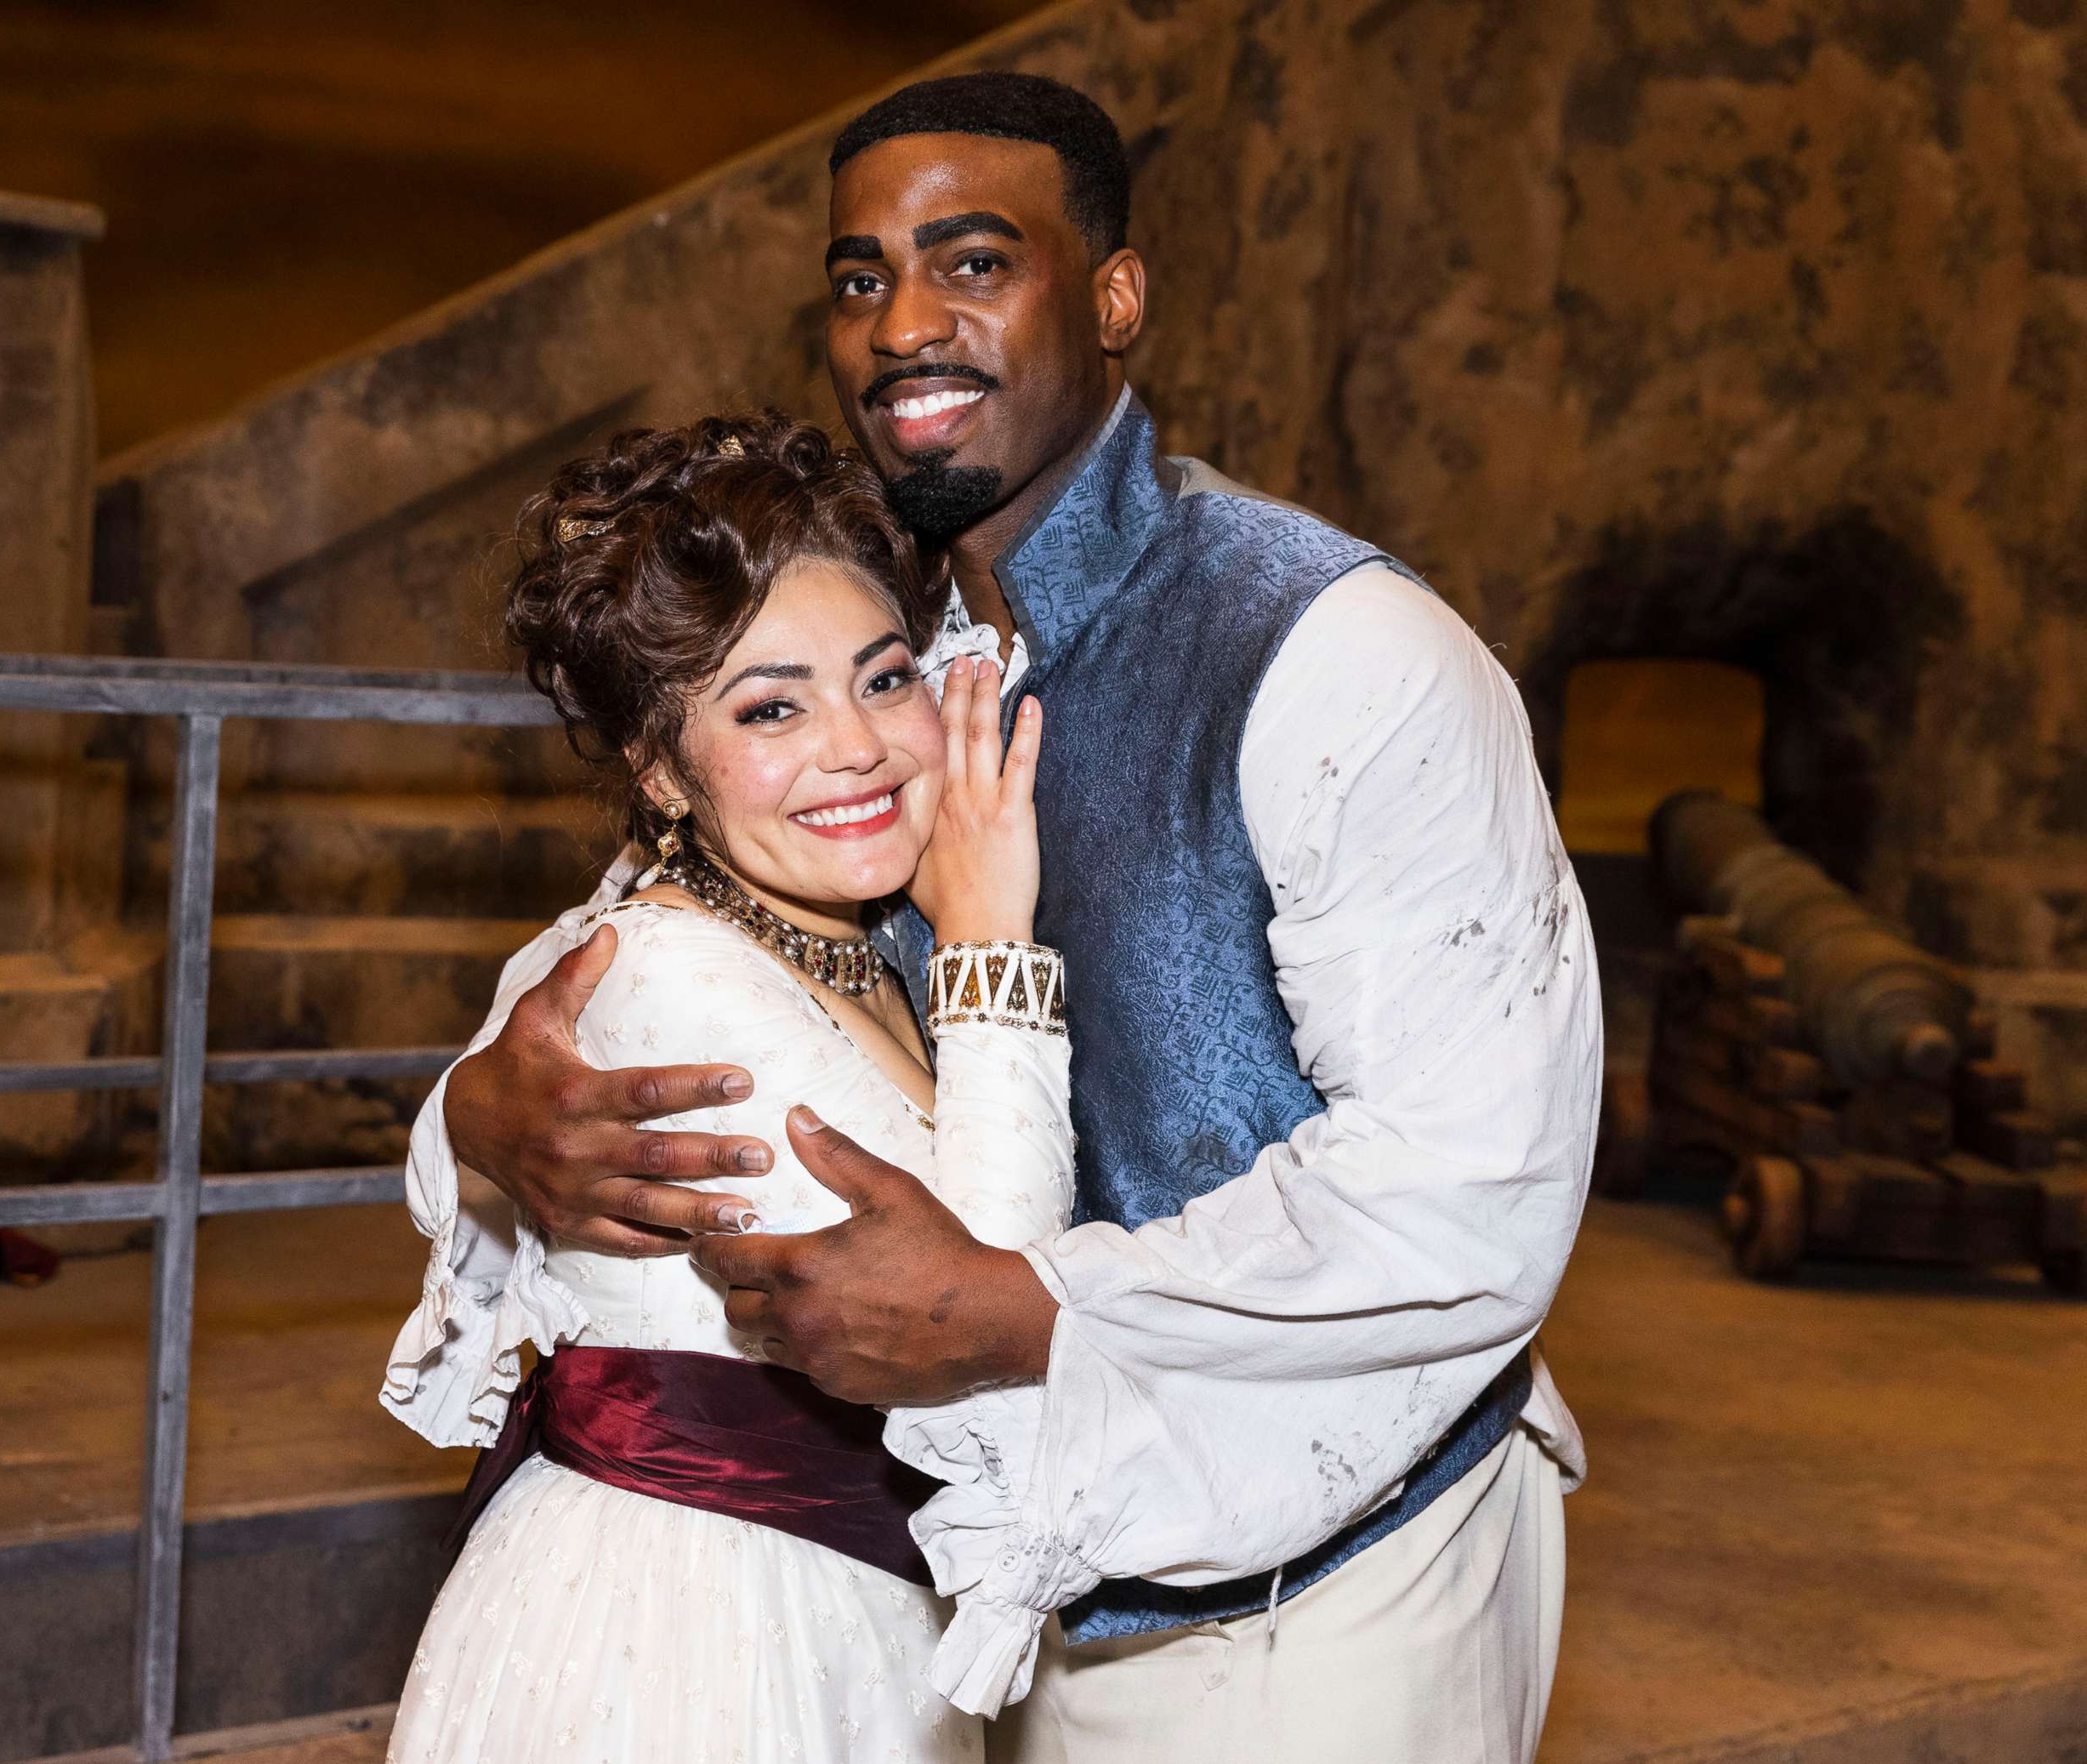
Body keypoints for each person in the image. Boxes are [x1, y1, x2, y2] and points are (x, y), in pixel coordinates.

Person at [427, 73, 1601, 1764]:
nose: (904, 321)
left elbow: (1464, 1181)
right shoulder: (879, 661)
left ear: (1113, 296)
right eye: (858, 279)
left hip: (1311, 1600)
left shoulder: (1336, 651)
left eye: (974, 262)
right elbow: (649, 963)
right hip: (986, 1608)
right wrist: (478, 1115)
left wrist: (1029, 1309)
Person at [381, 411, 1077, 1761]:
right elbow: (984, 1306)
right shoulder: (669, 984)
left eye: (884, 680)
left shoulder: (823, 927)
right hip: (695, 1637)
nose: (857, 745)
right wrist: (995, 942)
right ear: (660, 771)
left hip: (844, 1610)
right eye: (772, 707)